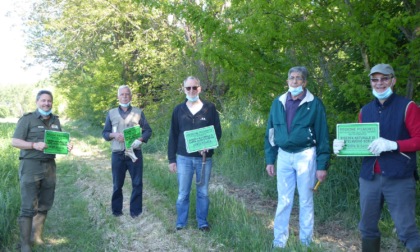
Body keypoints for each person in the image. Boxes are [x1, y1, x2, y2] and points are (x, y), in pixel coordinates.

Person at [333, 64, 420, 252]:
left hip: (399, 176)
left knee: (407, 230)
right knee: (367, 228)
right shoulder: (365, 111)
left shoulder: (408, 107)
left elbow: (418, 140)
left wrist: (393, 144)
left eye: (384, 79)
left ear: (393, 81)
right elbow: (361, 145)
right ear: (371, 82)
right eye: (375, 79)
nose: (379, 83)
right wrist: (342, 147)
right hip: (369, 177)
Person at [264, 66, 330, 248]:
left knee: (306, 200)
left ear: (305, 82)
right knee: (284, 200)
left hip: (306, 156)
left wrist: (322, 165)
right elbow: (270, 132)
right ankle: (279, 242)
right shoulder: (278, 102)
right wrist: (270, 159)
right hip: (283, 155)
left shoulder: (314, 103)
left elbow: (323, 136)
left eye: (298, 78)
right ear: (287, 81)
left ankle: (305, 242)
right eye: (291, 78)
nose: (294, 81)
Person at [11, 90, 73, 252]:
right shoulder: (27, 119)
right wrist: (33, 145)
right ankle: (24, 244)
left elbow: (59, 140)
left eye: (49, 101)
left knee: (45, 202)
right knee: (28, 205)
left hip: (49, 165)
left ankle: (36, 237)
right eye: (43, 101)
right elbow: (15, 141)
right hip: (30, 165)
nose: (46, 103)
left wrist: (67, 146)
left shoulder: (55, 120)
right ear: (37, 102)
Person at [168, 76, 222, 231]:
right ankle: (181, 221)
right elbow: (173, 134)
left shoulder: (209, 108)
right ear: (183, 89)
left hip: (204, 159)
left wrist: (209, 147)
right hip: (183, 158)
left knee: (203, 193)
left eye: (194, 87)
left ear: (200, 88)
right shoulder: (178, 110)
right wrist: (172, 159)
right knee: (183, 193)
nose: (191, 90)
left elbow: (217, 132)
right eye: (188, 88)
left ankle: (202, 221)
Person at [102, 85, 152, 218]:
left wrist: (140, 139)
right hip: (117, 154)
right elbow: (105, 133)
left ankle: (135, 212)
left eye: (127, 94)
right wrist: (114, 135)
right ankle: (117, 211)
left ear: (130, 96)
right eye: (122, 94)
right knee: (117, 184)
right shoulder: (111, 113)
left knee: (137, 183)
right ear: (118, 96)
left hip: (135, 153)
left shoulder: (138, 112)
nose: (124, 96)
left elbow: (148, 130)